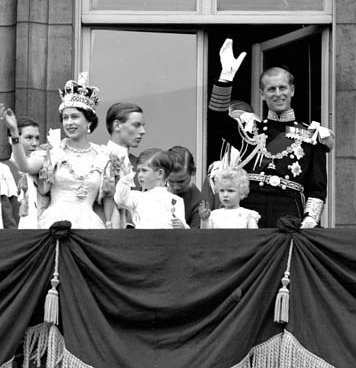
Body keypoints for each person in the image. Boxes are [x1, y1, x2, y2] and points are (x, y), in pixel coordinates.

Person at [208, 38, 333, 228]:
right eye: (271, 89)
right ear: (262, 94)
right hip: (251, 214)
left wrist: (310, 219)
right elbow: (217, 119)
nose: (277, 93)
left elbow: (317, 188)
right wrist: (225, 78)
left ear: (292, 90)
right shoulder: (250, 130)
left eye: (282, 88)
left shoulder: (311, 135)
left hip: (289, 215)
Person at [2, 73, 113, 229]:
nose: (69, 122)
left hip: (90, 227)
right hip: (54, 225)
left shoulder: (103, 156)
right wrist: (14, 132)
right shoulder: (53, 153)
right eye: (65, 118)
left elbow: (108, 199)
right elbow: (24, 166)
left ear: (89, 121)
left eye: (75, 117)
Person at [114, 148, 189, 229]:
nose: (140, 175)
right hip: (144, 240)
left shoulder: (176, 200)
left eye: (144, 170)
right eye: (138, 171)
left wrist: (183, 227)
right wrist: (125, 179)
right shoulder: (138, 197)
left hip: (167, 240)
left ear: (160, 173)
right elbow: (121, 200)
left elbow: (183, 229)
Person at [103, 102, 146, 228]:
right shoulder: (99, 159)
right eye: (136, 125)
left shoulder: (141, 165)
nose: (143, 131)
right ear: (117, 125)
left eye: (142, 126)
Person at [168, 146, 202, 229]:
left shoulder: (199, 202)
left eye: (181, 181)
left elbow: (196, 238)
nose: (176, 187)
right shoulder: (151, 190)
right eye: (171, 181)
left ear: (193, 172)